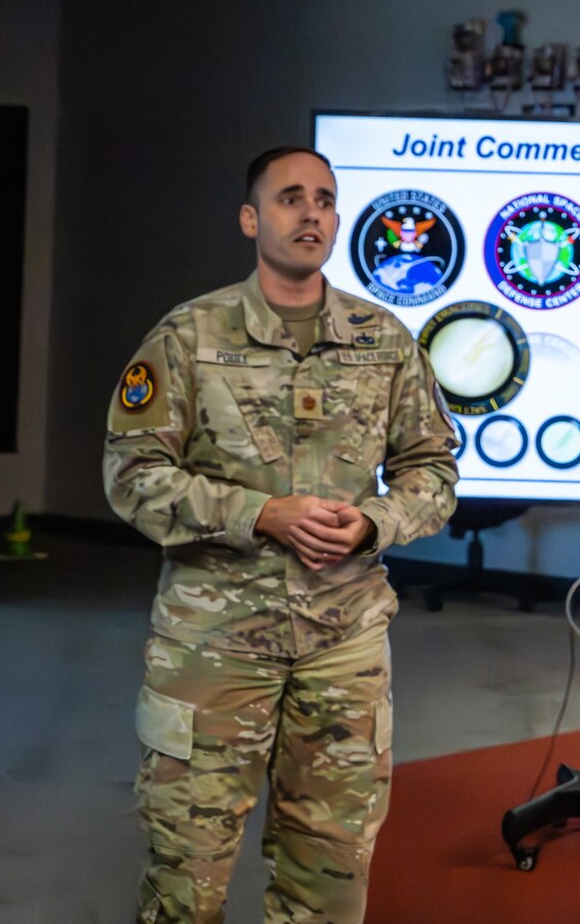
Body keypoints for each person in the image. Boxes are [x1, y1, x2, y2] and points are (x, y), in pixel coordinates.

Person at [103, 146, 460, 923]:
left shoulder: (383, 339)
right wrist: (256, 514)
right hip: (215, 643)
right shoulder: (188, 336)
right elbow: (131, 476)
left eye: (325, 200)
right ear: (250, 218)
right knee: (185, 874)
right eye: (291, 198)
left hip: (344, 643)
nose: (312, 214)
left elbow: (434, 471)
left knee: (329, 874)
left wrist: (374, 522)